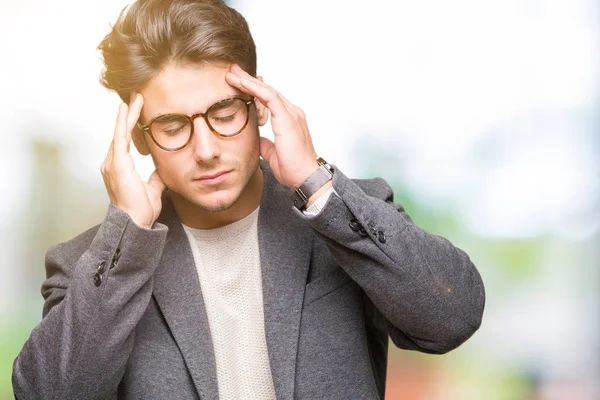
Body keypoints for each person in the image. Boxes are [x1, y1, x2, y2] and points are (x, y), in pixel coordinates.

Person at [12, 0, 485, 398]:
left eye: (223, 113)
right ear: (137, 139)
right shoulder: (91, 268)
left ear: (258, 105)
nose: (206, 149)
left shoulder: (345, 213)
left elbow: (453, 317)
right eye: (174, 127)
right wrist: (126, 236)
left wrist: (318, 186)